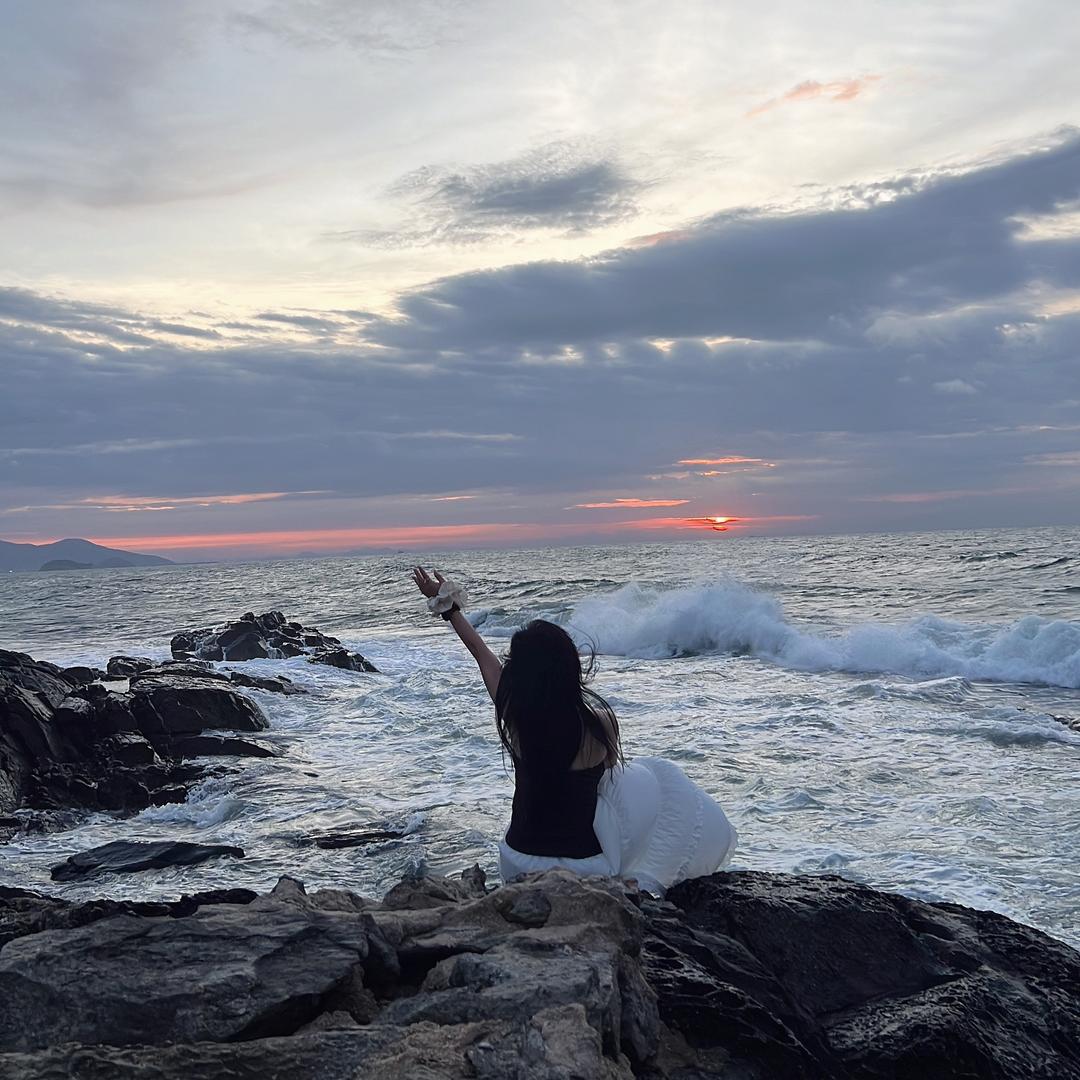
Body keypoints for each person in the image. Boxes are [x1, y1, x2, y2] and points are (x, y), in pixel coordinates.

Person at [411, 566, 737, 894]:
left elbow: (483, 657)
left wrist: (449, 608)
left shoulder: (515, 717)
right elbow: (611, 781)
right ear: (570, 668)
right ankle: (646, 883)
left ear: (521, 675)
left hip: (516, 862)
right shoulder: (600, 723)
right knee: (658, 778)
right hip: (586, 870)